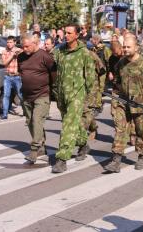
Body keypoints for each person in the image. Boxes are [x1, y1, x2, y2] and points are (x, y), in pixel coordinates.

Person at [103, 33, 143, 173]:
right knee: (120, 129)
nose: (125, 49)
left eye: (128, 47)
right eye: (124, 47)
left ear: (136, 47)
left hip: (141, 104)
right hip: (123, 102)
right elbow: (117, 81)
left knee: (141, 130)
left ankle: (141, 155)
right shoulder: (121, 63)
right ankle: (116, 159)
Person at [52, 24, 96, 173]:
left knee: (68, 125)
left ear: (77, 35)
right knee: (73, 124)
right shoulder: (60, 51)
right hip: (62, 94)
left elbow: (90, 77)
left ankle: (62, 158)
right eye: (65, 32)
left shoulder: (84, 53)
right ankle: (83, 143)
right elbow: (52, 66)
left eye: (69, 33)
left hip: (77, 95)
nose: (66, 35)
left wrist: (91, 98)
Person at [17, 35, 54, 163]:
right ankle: (41, 147)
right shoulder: (21, 57)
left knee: (36, 120)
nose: (24, 48)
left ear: (35, 44)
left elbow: (54, 74)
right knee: (30, 122)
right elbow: (21, 73)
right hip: (26, 96)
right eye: (23, 46)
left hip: (42, 95)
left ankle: (34, 149)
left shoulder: (45, 56)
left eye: (27, 46)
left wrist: (53, 92)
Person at [0, 36, 23, 120]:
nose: (9, 44)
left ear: (14, 43)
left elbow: (24, 56)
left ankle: (26, 110)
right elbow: (5, 63)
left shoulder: (19, 50)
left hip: (17, 76)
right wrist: (12, 55)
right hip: (8, 76)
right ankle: (5, 114)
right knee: (6, 95)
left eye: (11, 42)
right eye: (8, 42)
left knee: (20, 95)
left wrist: (18, 53)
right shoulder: (4, 51)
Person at [90, 34, 112, 112]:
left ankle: (98, 105)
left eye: (93, 40)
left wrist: (110, 72)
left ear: (97, 40)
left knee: (100, 88)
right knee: (94, 88)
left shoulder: (105, 49)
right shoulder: (93, 49)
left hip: (103, 71)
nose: (92, 41)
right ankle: (96, 103)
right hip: (94, 71)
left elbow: (109, 61)